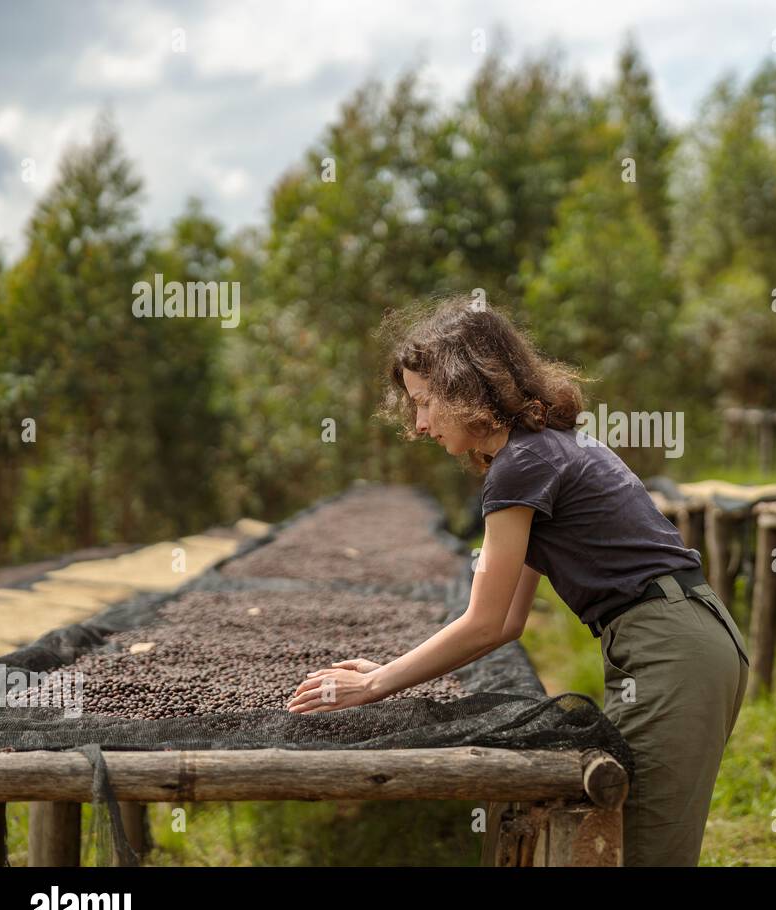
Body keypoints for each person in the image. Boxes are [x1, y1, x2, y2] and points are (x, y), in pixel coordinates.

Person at [287, 294, 750, 867]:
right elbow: (506, 621)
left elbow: (481, 623)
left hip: (670, 650)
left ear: (466, 388)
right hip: (689, 637)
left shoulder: (521, 465)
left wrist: (377, 683)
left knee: (632, 854)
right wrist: (391, 671)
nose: (420, 424)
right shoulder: (544, 450)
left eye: (425, 402)